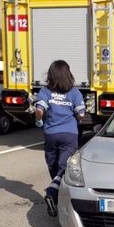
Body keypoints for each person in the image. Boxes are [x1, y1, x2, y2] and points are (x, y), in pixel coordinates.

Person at [34, 60, 86, 216]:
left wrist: (39, 121)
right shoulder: (74, 92)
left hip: (51, 134)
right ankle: (52, 191)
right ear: (68, 74)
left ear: (51, 75)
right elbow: (81, 114)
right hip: (69, 134)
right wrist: (78, 118)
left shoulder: (45, 91)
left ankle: (54, 194)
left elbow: (39, 109)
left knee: (53, 165)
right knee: (64, 166)